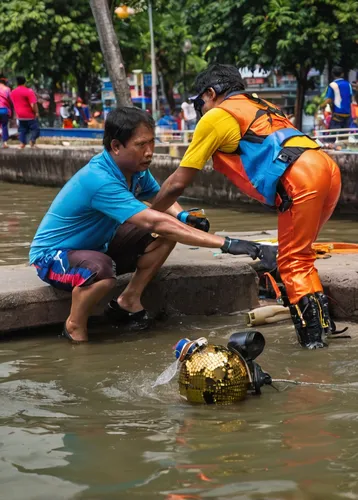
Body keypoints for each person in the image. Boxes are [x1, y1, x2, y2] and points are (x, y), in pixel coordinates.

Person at [29, 107, 265, 343]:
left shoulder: (135, 170)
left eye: (152, 142)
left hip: (98, 244)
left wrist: (183, 217)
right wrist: (228, 243)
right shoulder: (99, 179)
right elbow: (154, 219)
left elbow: (158, 196)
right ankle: (75, 325)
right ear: (115, 146)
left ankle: (129, 299)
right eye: (141, 145)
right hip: (53, 257)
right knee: (101, 271)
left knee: (168, 233)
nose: (149, 152)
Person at [150, 63, 342, 350]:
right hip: (327, 169)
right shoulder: (262, 105)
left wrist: (150, 214)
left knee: (291, 263)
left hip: (300, 179)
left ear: (211, 93)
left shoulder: (216, 117)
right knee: (299, 259)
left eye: (199, 102)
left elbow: (178, 183)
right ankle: (323, 330)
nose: (199, 110)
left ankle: (313, 345)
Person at [10, 76, 40, 149]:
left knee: (23, 130)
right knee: (36, 129)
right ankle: (32, 141)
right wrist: (36, 112)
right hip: (29, 115)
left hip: (20, 115)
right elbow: (33, 104)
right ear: (25, 82)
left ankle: (22, 144)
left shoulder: (13, 92)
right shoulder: (29, 91)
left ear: (17, 83)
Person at [321, 66, 353, 131]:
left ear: (333, 74)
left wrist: (321, 106)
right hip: (347, 115)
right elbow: (351, 98)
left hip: (337, 116)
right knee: (344, 137)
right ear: (342, 74)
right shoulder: (348, 84)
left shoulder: (332, 85)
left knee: (332, 138)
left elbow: (328, 100)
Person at [0, 75, 13, 149]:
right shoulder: (7, 89)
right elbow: (11, 100)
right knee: (4, 126)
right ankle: (5, 143)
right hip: (4, 110)